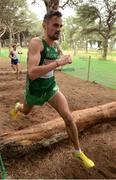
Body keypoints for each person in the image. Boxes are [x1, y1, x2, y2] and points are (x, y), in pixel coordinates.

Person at [10, 11, 95, 168]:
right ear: (45, 25)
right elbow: (32, 73)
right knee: (26, 110)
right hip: (34, 90)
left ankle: (78, 152)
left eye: (61, 26)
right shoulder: (37, 43)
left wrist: (65, 59)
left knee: (68, 117)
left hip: (50, 87)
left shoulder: (56, 45)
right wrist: (58, 63)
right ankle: (18, 106)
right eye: (55, 25)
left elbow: (58, 60)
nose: (59, 29)